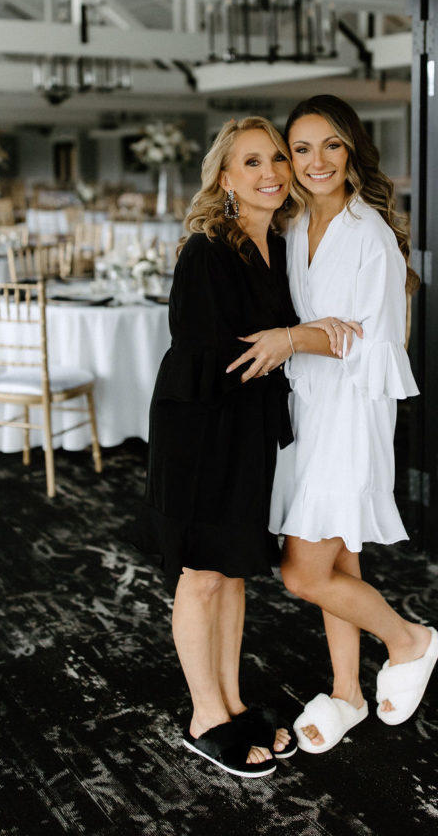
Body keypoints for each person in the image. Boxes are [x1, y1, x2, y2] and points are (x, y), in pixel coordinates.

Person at [227, 94, 438, 755]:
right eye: (302, 148)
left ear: (351, 153)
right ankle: (347, 691)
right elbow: (323, 328)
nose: (315, 161)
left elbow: (374, 345)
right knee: (338, 557)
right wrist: (309, 334)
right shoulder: (292, 229)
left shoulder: (367, 234)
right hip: (306, 409)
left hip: (349, 415)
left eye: (330, 146)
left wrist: (296, 338)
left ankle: (409, 640)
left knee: (302, 571)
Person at [134, 116, 302, 778]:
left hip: (249, 427)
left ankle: (231, 701)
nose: (271, 173)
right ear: (226, 178)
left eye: (277, 160)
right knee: (201, 576)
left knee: (233, 572)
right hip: (201, 432)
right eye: (253, 162)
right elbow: (208, 356)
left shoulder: (282, 247)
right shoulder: (207, 248)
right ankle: (204, 717)